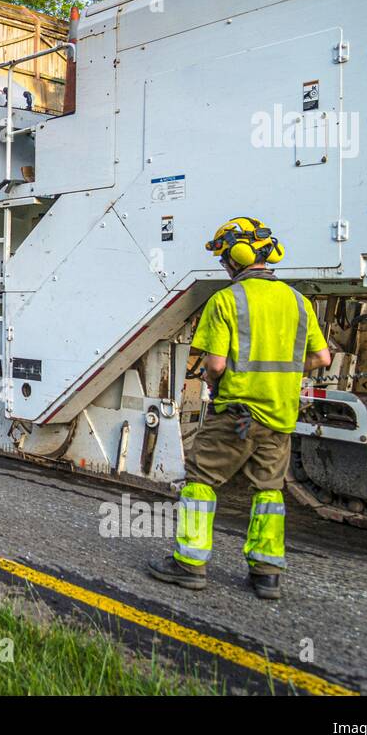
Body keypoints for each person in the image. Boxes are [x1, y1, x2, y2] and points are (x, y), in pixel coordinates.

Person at [148, 217, 332, 600]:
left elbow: (214, 366)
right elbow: (322, 357)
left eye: (223, 258)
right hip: (279, 416)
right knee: (269, 491)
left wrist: (217, 385)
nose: (224, 266)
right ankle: (267, 573)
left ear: (237, 256)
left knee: (201, 482)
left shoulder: (226, 301)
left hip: (236, 414)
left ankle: (189, 564)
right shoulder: (299, 302)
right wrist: (282, 376)